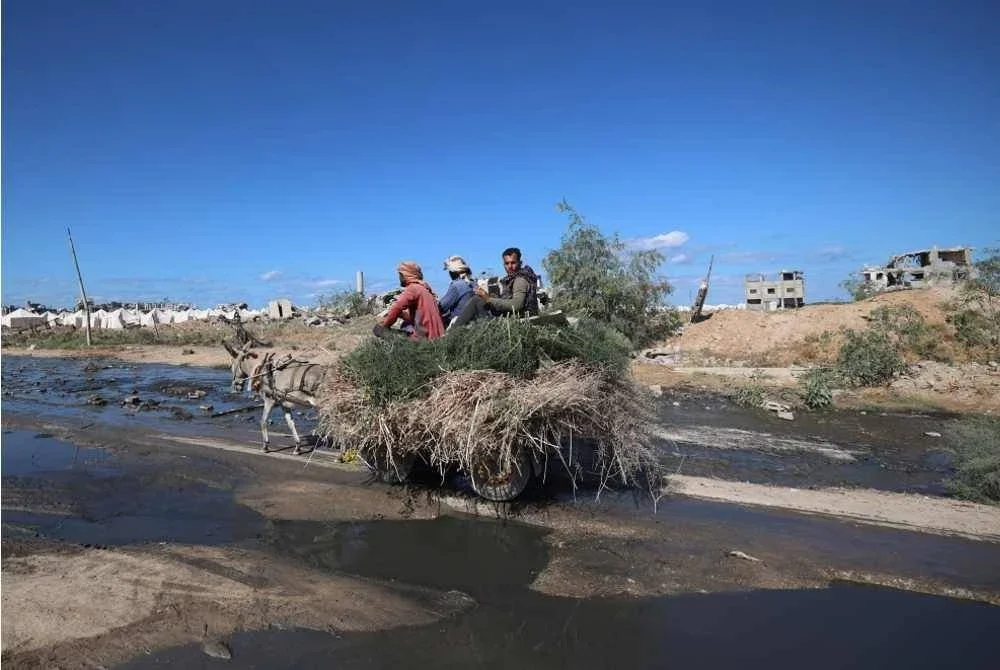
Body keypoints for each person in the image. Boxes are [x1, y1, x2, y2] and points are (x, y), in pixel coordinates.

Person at [451, 247, 540, 327]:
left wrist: (489, 299)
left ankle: (452, 334)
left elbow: (516, 305)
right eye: (507, 263)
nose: (510, 267)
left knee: (476, 301)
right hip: (513, 320)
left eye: (513, 263)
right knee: (480, 300)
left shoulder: (520, 280)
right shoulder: (514, 278)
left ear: (520, 263)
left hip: (518, 323)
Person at [373, 261, 446, 340]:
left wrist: (385, 325)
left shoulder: (413, 288)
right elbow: (420, 318)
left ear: (405, 275)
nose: (399, 278)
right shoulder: (426, 290)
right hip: (436, 336)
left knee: (377, 329)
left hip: (424, 338)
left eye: (400, 275)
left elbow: (396, 308)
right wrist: (402, 314)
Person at [438, 255, 477, 327]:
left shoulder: (456, 286)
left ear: (453, 272)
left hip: (459, 323)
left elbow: (442, 307)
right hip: (473, 322)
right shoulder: (473, 283)